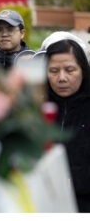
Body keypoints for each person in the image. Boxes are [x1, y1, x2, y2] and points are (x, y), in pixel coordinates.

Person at [45, 38, 90, 212]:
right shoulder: (36, 109)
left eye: (70, 70)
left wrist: (74, 181)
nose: (62, 78)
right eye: (54, 71)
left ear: (83, 71)